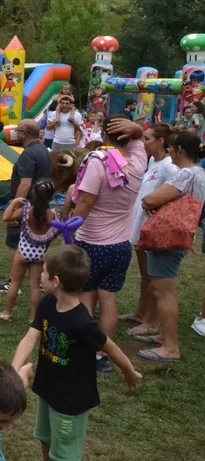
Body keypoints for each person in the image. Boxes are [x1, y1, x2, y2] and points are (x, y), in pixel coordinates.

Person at [12, 245, 141, 461]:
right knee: (46, 438)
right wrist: (14, 369)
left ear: (56, 281)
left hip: (71, 400)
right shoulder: (47, 303)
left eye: (44, 271)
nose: (40, 275)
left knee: (65, 453)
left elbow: (111, 348)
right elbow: (31, 337)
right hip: (47, 388)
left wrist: (130, 372)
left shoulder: (83, 323)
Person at [69, 115, 144, 373]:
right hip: (121, 244)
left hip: (92, 241)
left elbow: (86, 201)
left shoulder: (97, 161)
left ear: (104, 134)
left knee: (86, 297)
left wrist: (70, 229)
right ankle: (101, 353)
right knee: (108, 298)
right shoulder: (138, 160)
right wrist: (136, 129)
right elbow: (139, 138)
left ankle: (85, 348)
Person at [134, 131, 205, 364]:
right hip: (181, 236)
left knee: (163, 291)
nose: (170, 153)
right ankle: (164, 335)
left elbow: (152, 199)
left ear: (179, 150)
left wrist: (148, 202)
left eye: (172, 149)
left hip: (167, 238)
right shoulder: (201, 173)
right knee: (165, 289)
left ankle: (170, 347)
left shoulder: (185, 173)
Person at [121, 124, 176, 336]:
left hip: (153, 228)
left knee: (153, 277)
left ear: (161, 141)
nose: (143, 143)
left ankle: (151, 322)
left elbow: (179, 191)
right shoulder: (152, 160)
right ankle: (141, 313)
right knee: (145, 274)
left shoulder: (169, 166)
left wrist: (160, 207)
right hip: (139, 224)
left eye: (147, 139)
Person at [0, 119, 52, 294]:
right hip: (41, 204)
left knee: (14, 242)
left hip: (27, 205)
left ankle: (13, 282)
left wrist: (16, 207)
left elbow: (25, 184)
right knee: (37, 243)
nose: (15, 133)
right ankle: (39, 280)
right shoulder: (43, 150)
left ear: (24, 133)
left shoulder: (28, 154)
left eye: (17, 130)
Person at [0, 180, 59, 322]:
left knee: (14, 283)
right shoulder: (52, 215)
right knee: (35, 286)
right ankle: (33, 317)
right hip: (40, 254)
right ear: (52, 197)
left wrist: (14, 202)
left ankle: (7, 313)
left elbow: (6, 217)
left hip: (23, 252)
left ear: (33, 193)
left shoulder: (25, 210)